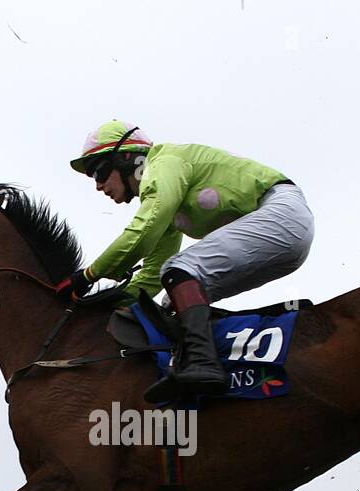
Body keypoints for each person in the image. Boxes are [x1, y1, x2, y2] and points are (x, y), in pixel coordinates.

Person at [62, 120, 314, 404]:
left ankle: (202, 365)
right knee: (173, 300)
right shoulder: (169, 198)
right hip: (285, 230)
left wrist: (88, 275)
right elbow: (154, 273)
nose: (98, 185)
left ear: (127, 158)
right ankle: (220, 368)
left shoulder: (164, 163)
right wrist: (113, 304)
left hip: (282, 215)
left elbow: (144, 230)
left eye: (99, 171)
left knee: (180, 271)